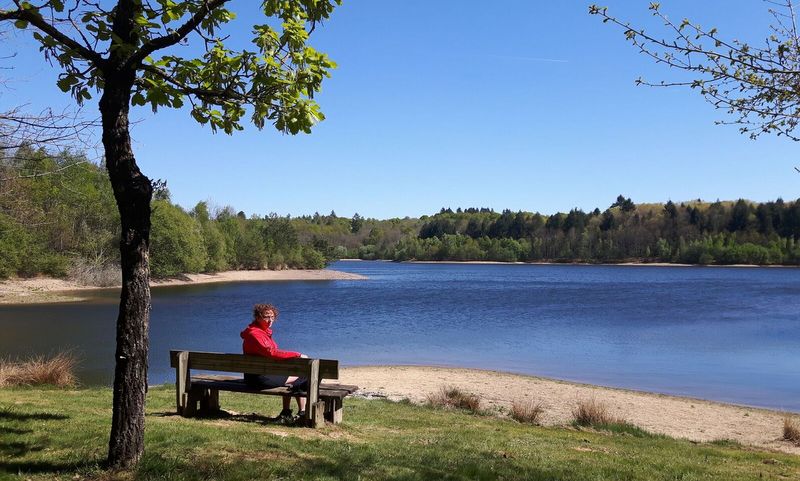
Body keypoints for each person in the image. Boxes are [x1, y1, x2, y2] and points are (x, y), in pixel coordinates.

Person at [240, 303, 308, 423]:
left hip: (255, 376)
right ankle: (299, 413)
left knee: (294, 375)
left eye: (272, 317)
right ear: (257, 317)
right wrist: (297, 354)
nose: (270, 320)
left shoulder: (259, 332)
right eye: (266, 317)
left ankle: (289, 413)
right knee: (303, 375)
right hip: (259, 379)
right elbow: (271, 353)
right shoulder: (255, 334)